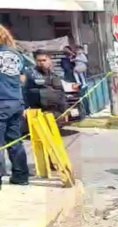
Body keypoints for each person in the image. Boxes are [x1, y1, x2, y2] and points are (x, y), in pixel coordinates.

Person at [0, 25, 30, 186]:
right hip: (16, 101)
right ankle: (20, 176)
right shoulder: (16, 54)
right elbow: (23, 79)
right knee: (15, 140)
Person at [23, 50, 66, 118]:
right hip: (37, 110)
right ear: (35, 61)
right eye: (39, 61)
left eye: (44, 60)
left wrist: (64, 110)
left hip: (54, 110)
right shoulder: (31, 74)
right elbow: (25, 91)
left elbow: (60, 92)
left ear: (49, 60)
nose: (42, 63)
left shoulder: (55, 74)